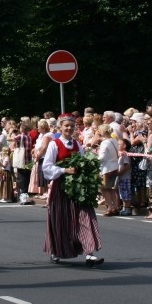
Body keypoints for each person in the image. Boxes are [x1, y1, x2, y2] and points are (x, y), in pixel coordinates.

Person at [42, 113, 104, 267]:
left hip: (78, 188)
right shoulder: (54, 144)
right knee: (60, 219)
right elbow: (47, 167)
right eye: (66, 126)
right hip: (61, 188)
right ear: (60, 128)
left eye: (72, 125)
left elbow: (83, 164)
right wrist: (64, 171)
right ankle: (56, 250)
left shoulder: (77, 144)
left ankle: (90, 254)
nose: (69, 128)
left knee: (85, 217)